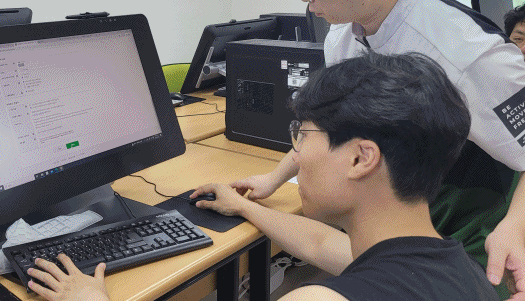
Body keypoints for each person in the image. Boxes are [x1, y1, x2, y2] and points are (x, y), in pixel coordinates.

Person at [238, 0, 525, 299]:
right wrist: (274, 178)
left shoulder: (467, 52)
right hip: (403, 229)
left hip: (472, 240)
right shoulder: (344, 35)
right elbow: (331, 126)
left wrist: (516, 226)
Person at [191, 52, 497, 300]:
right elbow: (319, 243)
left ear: (360, 158)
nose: (296, 155)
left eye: (303, 135)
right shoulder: (466, 272)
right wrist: (244, 206)